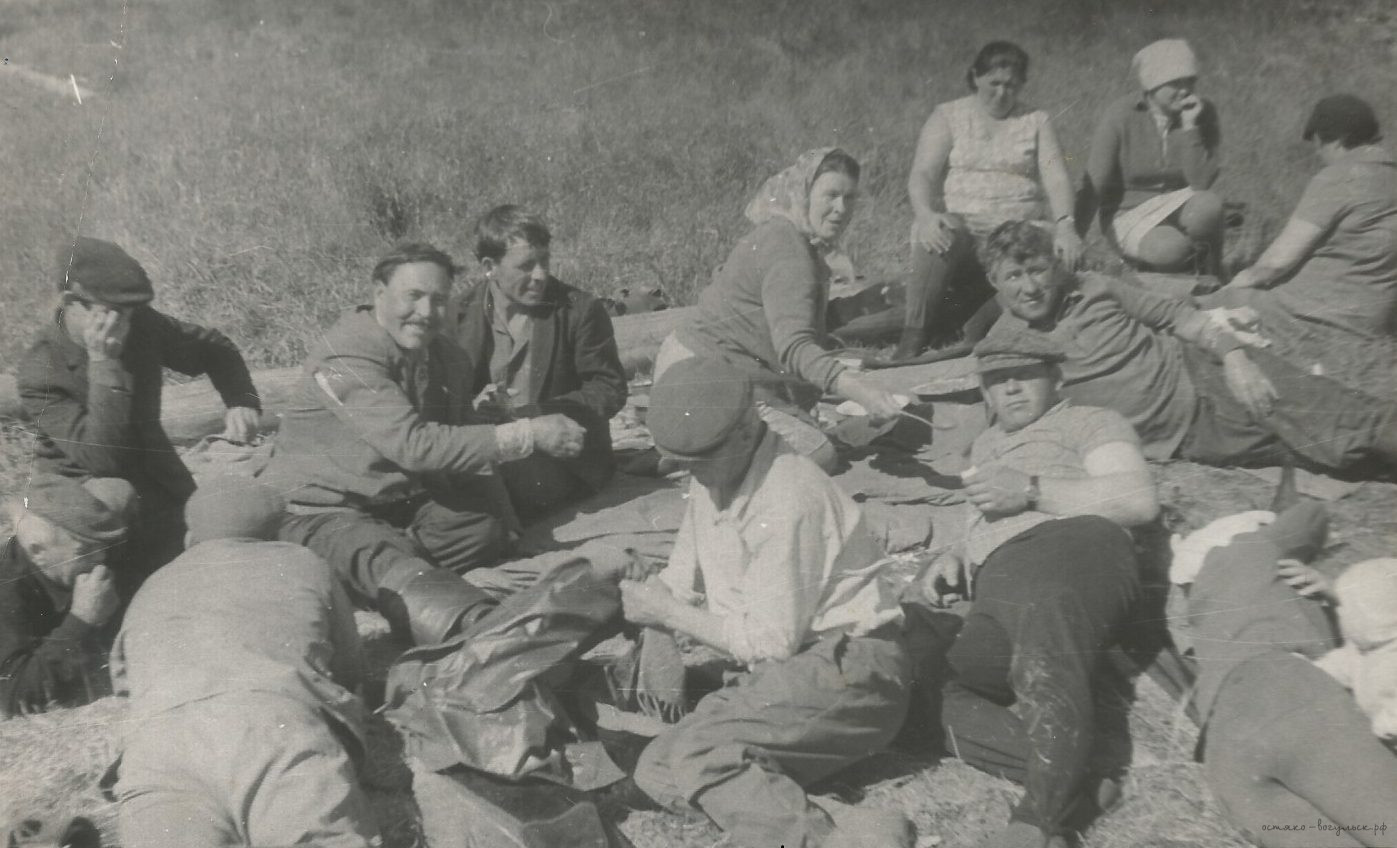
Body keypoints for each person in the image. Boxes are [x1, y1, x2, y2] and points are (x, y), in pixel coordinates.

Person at [620, 356, 915, 848]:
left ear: (744, 430)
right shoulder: (715, 475)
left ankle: (822, 842)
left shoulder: (788, 495)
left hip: (848, 668)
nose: (690, 473)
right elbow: (681, 580)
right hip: (787, 672)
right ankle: (841, 822)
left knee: (701, 753)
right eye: (683, 462)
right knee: (657, 767)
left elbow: (770, 642)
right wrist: (650, 602)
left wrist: (666, 613)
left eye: (698, 460)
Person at [260, 242, 589, 645]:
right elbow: (413, 446)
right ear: (379, 294)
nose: (426, 312)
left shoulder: (447, 357)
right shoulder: (347, 354)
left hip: (398, 503)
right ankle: (480, 628)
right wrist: (528, 434)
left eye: (438, 300)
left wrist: (508, 525)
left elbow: (463, 446)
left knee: (483, 528)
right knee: (372, 551)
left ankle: (380, 577)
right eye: (413, 296)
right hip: (321, 508)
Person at [920, 332, 1157, 848]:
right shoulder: (984, 445)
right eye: (996, 380)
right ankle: (1085, 777)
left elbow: (1138, 500)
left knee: (1044, 652)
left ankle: (1036, 822)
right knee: (929, 688)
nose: (1010, 389)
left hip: (1072, 547)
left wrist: (1030, 490)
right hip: (999, 581)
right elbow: (982, 516)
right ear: (984, 392)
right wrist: (956, 553)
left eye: (1024, 375)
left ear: (1056, 377)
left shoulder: (1089, 421)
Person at [977, 220, 1397, 476]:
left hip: (1205, 376)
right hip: (1188, 440)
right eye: (1014, 276)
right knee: (1332, 455)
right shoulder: (1006, 344)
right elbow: (1006, 418)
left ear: (1055, 265)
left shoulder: (1094, 287)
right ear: (994, 282)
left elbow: (1179, 316)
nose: (1030, 287)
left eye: (1037, 270)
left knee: (1349, 419)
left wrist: (1234, 357)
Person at [110, 476, 380, 848]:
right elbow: (351, 668)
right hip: (272, 725)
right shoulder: (303, 562)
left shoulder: (153, 583)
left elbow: (125, 684)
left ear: (190, 537)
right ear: (277, 532)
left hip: (158, 744)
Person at [17, 237, 262, 594]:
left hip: (155, 476)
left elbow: (214, 349)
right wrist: (104, 363)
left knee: (212, 560)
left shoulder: (138, 323)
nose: (125, 324)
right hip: (83, 495)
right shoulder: (42, 369)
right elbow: (103, 459)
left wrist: (241, 399)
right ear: (71, 303)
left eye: (131, 313)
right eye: (112, 312)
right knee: (118, 564)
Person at [655, 147, 904, 471]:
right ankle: (702, 452)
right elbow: (794, 347)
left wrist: (861, 304)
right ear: (804, 193)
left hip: (705, 372)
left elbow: (793, 317)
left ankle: (698, 447)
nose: (841, 209)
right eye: (831, 195)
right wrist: (859, 390)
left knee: (808, 443)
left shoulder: (791, 235)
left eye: (850, 198)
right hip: (701, 380)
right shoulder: (788, 250)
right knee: (816, 456)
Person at [1175, 506, 1397, 848]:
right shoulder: (1250, 546)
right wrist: (1333, 587)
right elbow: (1311, 515)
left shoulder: (1192, 614)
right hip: (1285, 692)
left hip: (1222, 750)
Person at [895, 40, 1083, 362]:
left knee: (1053, 260)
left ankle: (971, 329)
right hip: (964, 231)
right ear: (975, 77)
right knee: (940, 230)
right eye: (994, 83)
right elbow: (923, 173)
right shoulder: (948, 115)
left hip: (1017, 233)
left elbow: (1056, 177)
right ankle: (913, 336)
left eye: (1011, 85)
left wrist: (1066, 224)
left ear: (1022, 85)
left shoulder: (1036, 120)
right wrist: (925, 214)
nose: (1001, 93)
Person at [452, 205, 628, 519]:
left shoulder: (579, 310)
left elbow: (609, 389)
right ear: (489, 266)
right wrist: (472, 408)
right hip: (490, 444)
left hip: (561, 456)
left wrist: (532, 415)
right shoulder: (456, 315)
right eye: (526, 266)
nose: (540, 275)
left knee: (485, 496)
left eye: (544, 261)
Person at [1212, 94, 1397, 394]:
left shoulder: (1340, 177)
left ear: (1336, 140)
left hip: (1312, 315)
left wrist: (1232, 287)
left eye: (1319, 145)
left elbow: (1274, 264)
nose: (1319, 154)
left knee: (1197, 308)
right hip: (1373, 318)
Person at [1080, 39, 1225, 277]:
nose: (1185, 90)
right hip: (1128, 212)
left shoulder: (1202, 112)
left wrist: (1190, 127)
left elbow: (1201, 183)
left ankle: (1212, 272)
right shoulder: (1120, 115)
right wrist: (1074, 236)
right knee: (1170, 249)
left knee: (1209, 206)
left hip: (1179, 203)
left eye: (1190, 81)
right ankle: (1153, 272)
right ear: (1151, 85)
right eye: (1175, 83)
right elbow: (1094, 183)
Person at [0, 474, 132, 717]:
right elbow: (12, 698)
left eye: (101, 547)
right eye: (85, 551)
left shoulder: (86, 558)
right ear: (38, 552)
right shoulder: (7, 590)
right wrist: (81, 620)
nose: (101, 558)